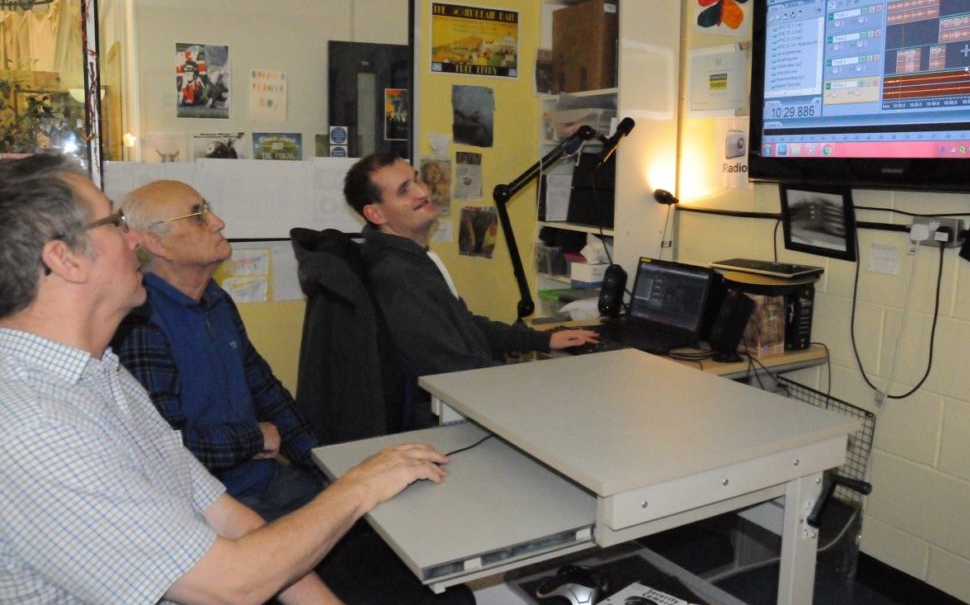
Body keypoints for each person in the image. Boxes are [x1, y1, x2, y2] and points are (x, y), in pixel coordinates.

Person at [0, 154, 451, 603]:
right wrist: (360, 484)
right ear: (64, 259)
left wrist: (341, 479)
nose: (132, 238)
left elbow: (226, 514)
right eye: (116, 223)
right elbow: (230, 583)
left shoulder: (104, 377)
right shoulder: (34, 424)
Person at [113, 180, 322, 522]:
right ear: (156, 243)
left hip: (262, 480)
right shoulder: (140, 322)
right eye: (198, 215)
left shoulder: (216, 300)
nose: (218, 222)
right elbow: (165, 447)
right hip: (205, 507)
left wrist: (321, 461)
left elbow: (264, 388)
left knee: (366, 520)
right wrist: (253, 438)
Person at [343, 153, 598, 418]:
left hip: (462, 396)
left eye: (416, 180)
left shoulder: (412, 258)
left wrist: (542, 339)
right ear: (375, 213)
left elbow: (463, 324)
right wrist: (538, 382)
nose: (422, 192)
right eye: (404, 190)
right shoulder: (398, 275)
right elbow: (454, 368)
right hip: (446, 414)